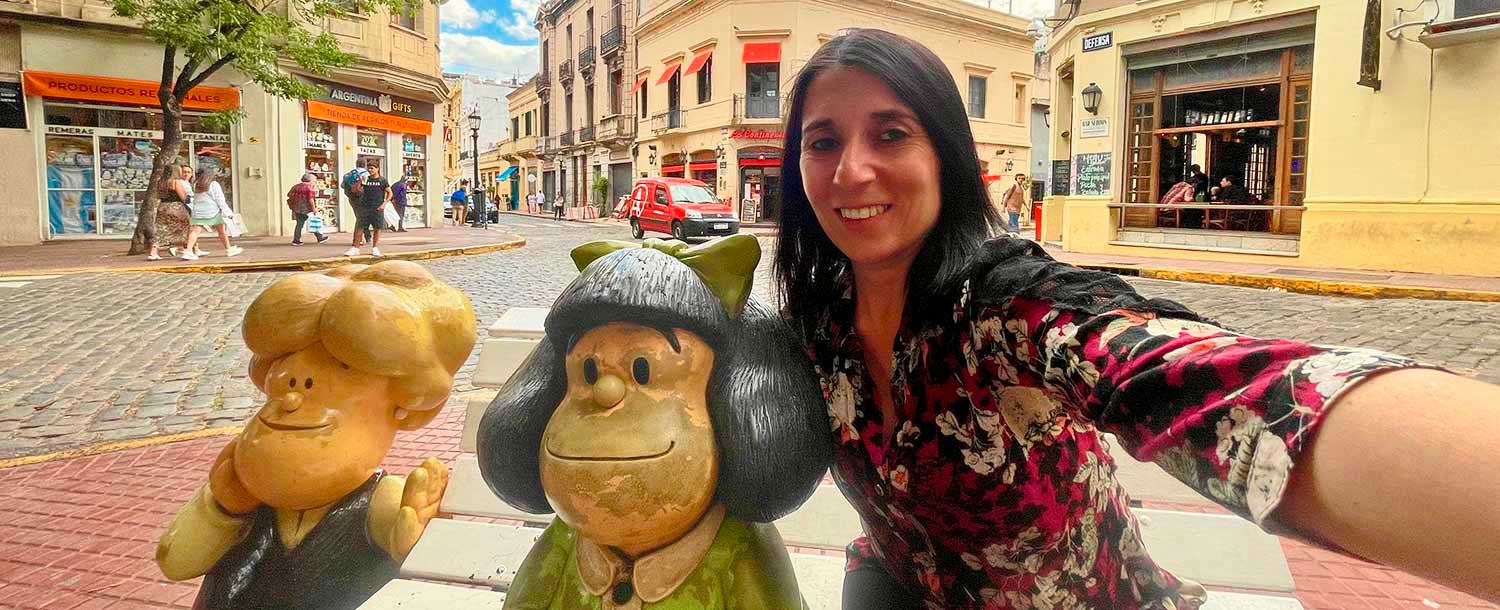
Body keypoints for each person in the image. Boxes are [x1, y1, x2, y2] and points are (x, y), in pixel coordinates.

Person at [773, 29, 1500, 610]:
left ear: (946, 155)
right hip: (893, 585)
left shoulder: (1002, 308)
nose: (850, 171)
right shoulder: (815, 321)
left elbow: (1185, 374)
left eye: (891, 134)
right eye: (824, 140)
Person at [183, 166, 242, 260]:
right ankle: (228, 249)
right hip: (213, 211)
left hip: (198, 211)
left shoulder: (196, 184)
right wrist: (228, 212)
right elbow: (220, 200)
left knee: (194, 231)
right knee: (222, 231)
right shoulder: (214, 184)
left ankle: (188, 251)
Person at [148, 163, 193, 261]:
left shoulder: (161, 182)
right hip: (176, 207)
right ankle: (185, 249)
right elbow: (184, 198)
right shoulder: (176, 182)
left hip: (162, 206)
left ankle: (153, 252)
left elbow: (158, 195)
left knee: (160, 229)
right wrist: (189, 197)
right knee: (186, 227)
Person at [346, 161, 390, 258]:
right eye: (369, 168)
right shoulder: (366, 179)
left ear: (377, 169)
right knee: (359, 227)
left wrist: (384, 204)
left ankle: (375, 247)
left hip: (377, 207)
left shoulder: (383, 181)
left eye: (372, 168)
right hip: (365, 206)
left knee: (377, 228)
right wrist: (359, 182)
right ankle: (355, 248)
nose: (370, 170)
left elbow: (389, 193)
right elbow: (355, 190)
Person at [287, 173, 329, 245]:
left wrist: (292, 206)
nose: (315, 181)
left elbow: (289, 196)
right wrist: (314, 208)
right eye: (314, 180)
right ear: (310, 180)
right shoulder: (309, 187)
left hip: (297, 208)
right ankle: (320, 237)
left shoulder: (295, 186)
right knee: (314, 222)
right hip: (307, 209)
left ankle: (296, 240)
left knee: (299, 224)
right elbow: (310, 199)